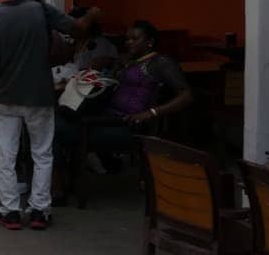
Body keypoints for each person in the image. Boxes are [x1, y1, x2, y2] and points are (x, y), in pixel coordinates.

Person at [0, 0, 99, 231]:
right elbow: (78, 30)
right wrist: (93, 14)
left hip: (5, 96)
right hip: (39, 95)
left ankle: (10, 212)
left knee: (6, 154)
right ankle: (40, 210)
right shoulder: (41, 9)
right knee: (42, 153)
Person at [55, 19, 193, 171]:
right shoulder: (130, 61)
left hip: (126, 126)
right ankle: (92, 166)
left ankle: (59, 180)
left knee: (55, 129)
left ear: (150, 42)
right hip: (105, 118)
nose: (129, 42)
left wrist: (151, 112)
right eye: (127, 39)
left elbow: (186, 96)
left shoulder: (161, 62)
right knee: (56, 120)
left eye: (135, 39)